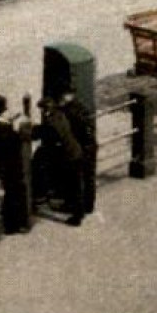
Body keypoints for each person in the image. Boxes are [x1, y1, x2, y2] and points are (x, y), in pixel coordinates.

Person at [0, 96, 32, 235]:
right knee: (16, 191)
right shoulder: (5, 129)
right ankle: (13, 224)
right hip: (9, 165)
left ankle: (10, 221)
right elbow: (16, 142)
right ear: (3, 110)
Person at [37, 98, 85, 221]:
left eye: (42, 109)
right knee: (73, 185)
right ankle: (70, 207)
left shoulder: (51, 122)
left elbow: (48, 135)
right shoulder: (59, 115)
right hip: (75, 152)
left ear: (45, 109)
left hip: (69, 156)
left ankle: (77, 217)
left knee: (74, 187)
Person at [59, 90, 97, 222]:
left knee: (75, 181)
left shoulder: (68, 111)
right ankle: (89, 206)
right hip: (90, 146)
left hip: (80, 149)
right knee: (89, 177)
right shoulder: (81, 107)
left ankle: (77, 213)